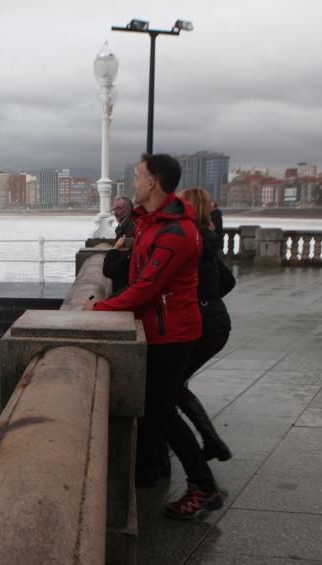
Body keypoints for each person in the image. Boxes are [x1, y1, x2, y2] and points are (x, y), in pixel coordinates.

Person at [84, 154, 224, 520]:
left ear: (155, 182)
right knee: (159, 411)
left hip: (172, 334)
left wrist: (100, 310)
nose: (134, 182)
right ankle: (179, 475)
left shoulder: (176, 233)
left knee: (163, 413)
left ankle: (204, 486)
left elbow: (146, 287)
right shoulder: (151, 224)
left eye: (139, 176)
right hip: (160, 329)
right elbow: (135, 273)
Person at [177, 187, 235, 462]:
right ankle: (212, 442)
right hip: (216, 324)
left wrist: (198, 303)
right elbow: (228, 281)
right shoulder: (207, 240)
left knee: (171, 386)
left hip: (205, 327)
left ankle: (212, 443)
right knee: (175, 383)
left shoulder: (193, 241)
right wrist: (210, 301)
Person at [103, 197, 135, 294]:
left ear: (128, 209)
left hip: (125, 287)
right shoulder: (123, 226)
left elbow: (109, 270)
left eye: (119, 208)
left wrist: (115, 249)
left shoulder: (131, 229)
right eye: (114, 209)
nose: (115, 212)